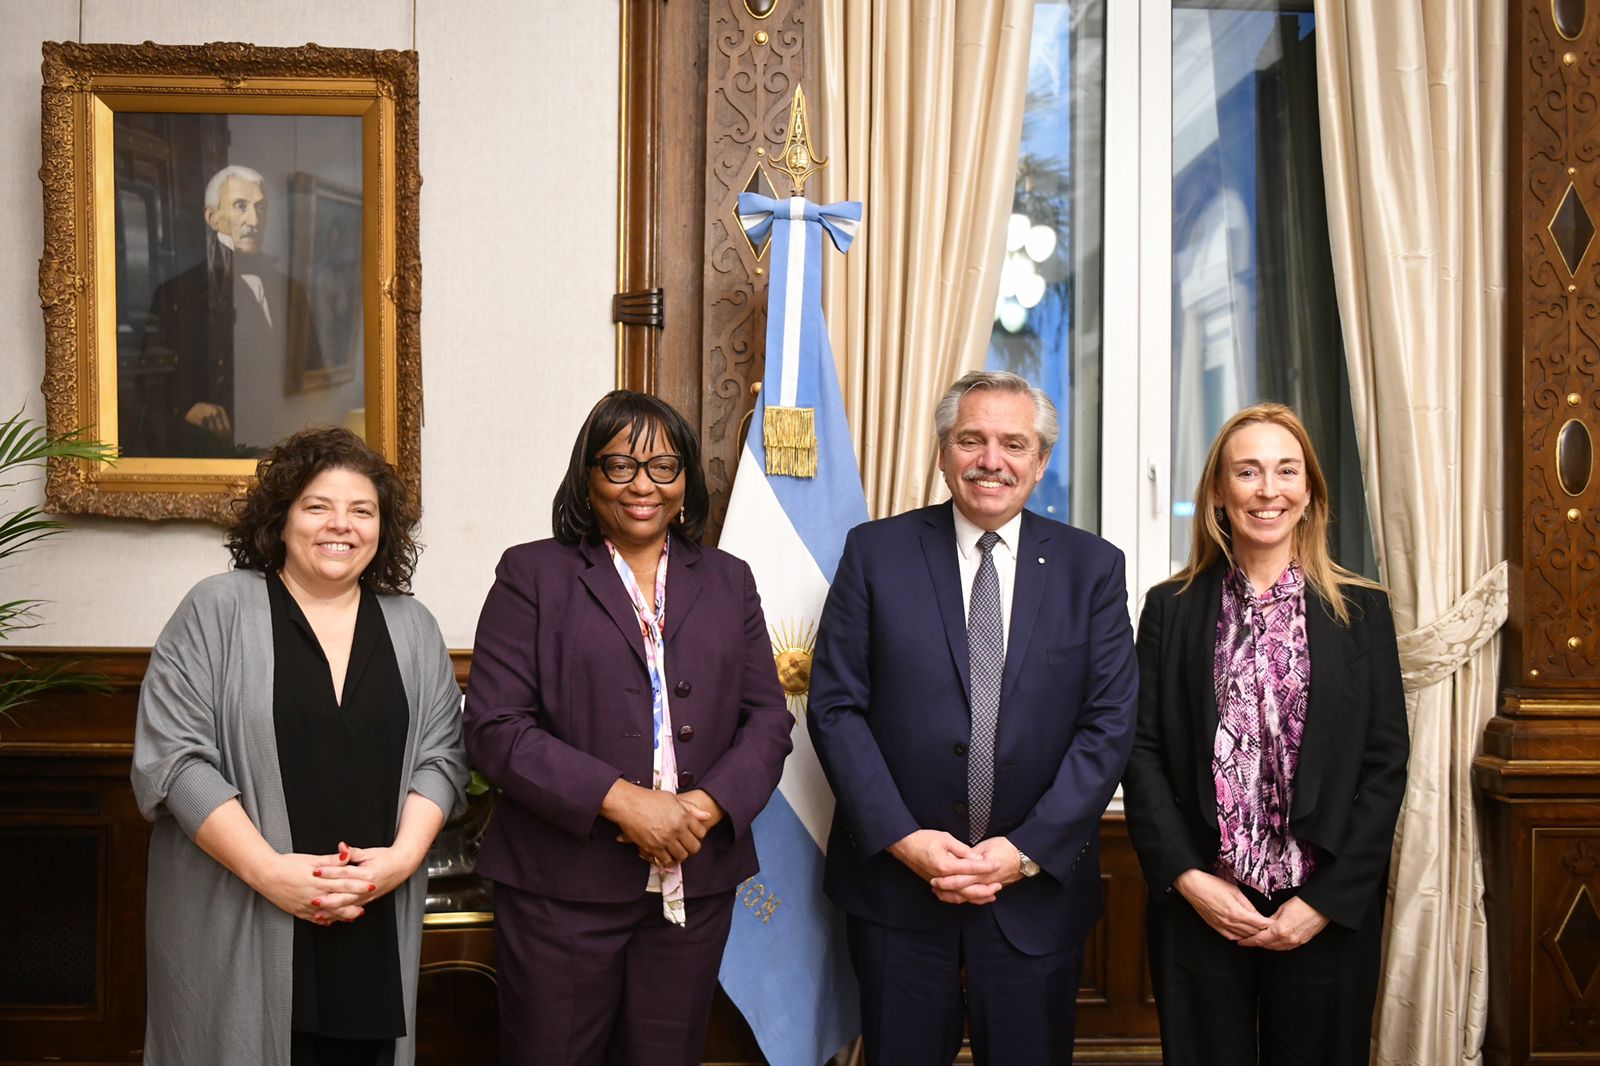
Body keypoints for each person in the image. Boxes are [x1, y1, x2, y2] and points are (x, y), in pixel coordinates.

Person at [808, 370, 1139, 1064]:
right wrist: (903, 839)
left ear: (1041, 461)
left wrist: (1022, 854)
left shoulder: (1093, 569)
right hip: (898, 895)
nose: (992, 460)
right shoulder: (875, 554)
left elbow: (1108, 724)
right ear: (942, 453)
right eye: (972, 439)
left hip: (1034, 896)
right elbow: (836, 708)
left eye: (1014, 443)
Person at [463, 390, 794, 1066]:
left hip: (693, 887)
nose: (643, 485)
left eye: (664, 467)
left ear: (686, 482)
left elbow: (767, 718)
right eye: (619, 466)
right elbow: (496, 727)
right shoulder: (532, 574)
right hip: (562, 889)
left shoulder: (730, 581)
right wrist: (624, 802)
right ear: (587, 475)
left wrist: (701, 809)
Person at [130, 426, 468, 1066]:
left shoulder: (413, 626)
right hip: (242, 909)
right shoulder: (216, 610)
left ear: (382, 528)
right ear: (281, 518)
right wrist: (272, 874)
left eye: (361, 510)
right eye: (318, 506)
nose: (340, 525)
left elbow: (442, 756)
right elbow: (175, 759)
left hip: (370, 921)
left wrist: (398, 862)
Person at [1122, 403, 1408, 1065]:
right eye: (1246, 472)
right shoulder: (1170, 608)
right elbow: (1140, 754)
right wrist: (1191, 880)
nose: (1268, 489)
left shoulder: (1364, 611)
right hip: (1201, 909)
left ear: (1309, 491)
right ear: (1219, 493)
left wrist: (1327, 902)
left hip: (1323, 914)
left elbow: (1386, 763)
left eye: (1286, 471)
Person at [127, 164, 324, 457]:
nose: (253, 220)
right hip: (211, 451)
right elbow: (150, 387)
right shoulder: (177, 293)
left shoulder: (291, 290)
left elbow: (314, 374)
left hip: (283, 447)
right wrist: (187, 410)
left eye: (260, 207)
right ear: (212, 217)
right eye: (240, 206)